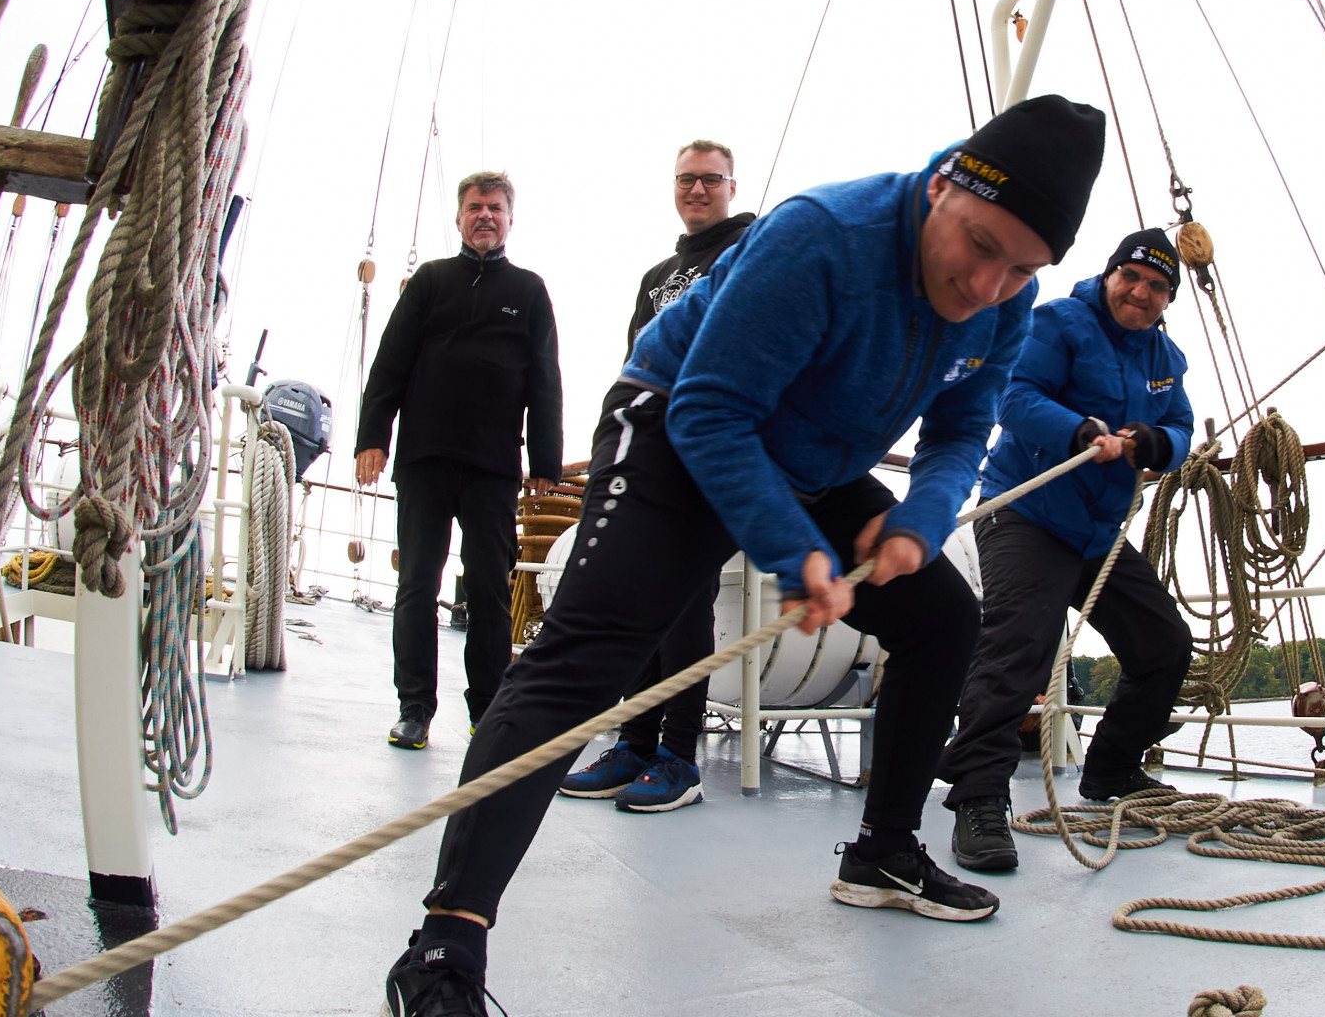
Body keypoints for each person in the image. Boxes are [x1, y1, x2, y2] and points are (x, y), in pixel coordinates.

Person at [380, 95, 1106, 1017]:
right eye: (979, 246)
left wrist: (921, 519)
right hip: (684, 423)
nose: (987, 286)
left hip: (814, 458)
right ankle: (446, 944)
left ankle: (884, 850)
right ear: (940, 188)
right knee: (579, 663)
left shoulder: (1007, 301)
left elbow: (963, 426)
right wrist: (792, 550)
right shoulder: (824, 236)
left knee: (940, 617)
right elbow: (711, 411)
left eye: (1022, 268)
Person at [936, 228, 1197, 874]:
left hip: (1097, 532)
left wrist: (1159, 443)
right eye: (1131, 277)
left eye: (1157, 286)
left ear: (1168, 299)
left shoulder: (1167, 358)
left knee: (1163, 645)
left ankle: (1111, 771)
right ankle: (977, 799)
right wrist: (1079, 430)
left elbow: (1182, 425)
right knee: (1021, 645)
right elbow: (1013, 396)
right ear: (1110, 275)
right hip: (1027, 510)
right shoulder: (1059, 323)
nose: (1141, 292)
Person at [560, 138, 754, 812]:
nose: (696, 190)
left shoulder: (750, 250)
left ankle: (679, 755)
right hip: (649, 452)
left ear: (732, 185)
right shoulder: (656, 276)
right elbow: (632, 366)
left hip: (710, 451)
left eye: (709, 179)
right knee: (642, 598)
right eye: (685, 180)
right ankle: (636, 743)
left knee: (684, 600)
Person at [355, 172, 563, 751]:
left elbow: (545, 379)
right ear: (459, 218)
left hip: (493, 464)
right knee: (417, 584)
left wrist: (544, 457)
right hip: (425, 457)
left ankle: (488, 712)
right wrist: (373, 435)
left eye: (495, 208)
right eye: (475, 207)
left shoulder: (528, 290)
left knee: (491, 590)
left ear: (510, 219)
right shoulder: (430, 281)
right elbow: (390, 362)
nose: (485, 216)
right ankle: (415, 708)